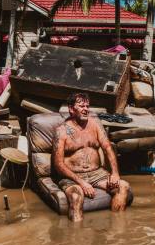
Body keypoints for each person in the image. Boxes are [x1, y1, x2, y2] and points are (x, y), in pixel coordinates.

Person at [52, 93, 130, 222]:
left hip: (97, 173)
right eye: (81, 106)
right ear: (71, 109)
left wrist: (115, 173)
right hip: (72, 176)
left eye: (87, 106)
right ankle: (77, 236)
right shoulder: (61, 131)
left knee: (123, 186)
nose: (86, 109)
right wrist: (82, 183)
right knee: (76, 197)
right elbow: (58, 164)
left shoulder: (95, 125)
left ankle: (116, 232)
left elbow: (108, 148)